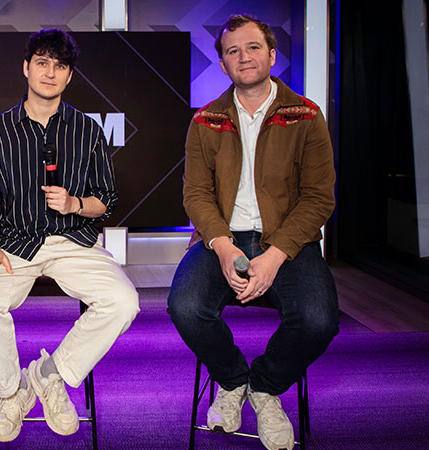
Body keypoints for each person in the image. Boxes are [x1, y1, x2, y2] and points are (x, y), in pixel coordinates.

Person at [0, 29, 139, 442]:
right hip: (14, 242)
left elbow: (106, 201)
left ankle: (49, 374)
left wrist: (76, 203)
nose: (50, 72)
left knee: (124, 301)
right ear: (26, 68)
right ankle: (13, 391)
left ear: (69, 76)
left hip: (75, 241)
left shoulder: (87, 131)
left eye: (59, 66)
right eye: (42, 63)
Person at [167, 14, 339, 450]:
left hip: (287, 243)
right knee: (184, 307)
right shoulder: (205, 120)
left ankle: (264, 387)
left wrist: (275, 255)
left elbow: (319, 199)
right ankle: (232, 381)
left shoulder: (305, 115)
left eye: (253, 47)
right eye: (233, 51)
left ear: (272, 54)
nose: (244, 57)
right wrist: (223, 248)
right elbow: (197, 196)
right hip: (220, 238)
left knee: (319, 320)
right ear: (223, 63)